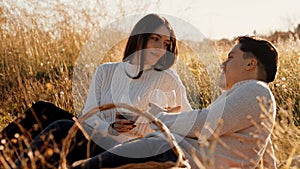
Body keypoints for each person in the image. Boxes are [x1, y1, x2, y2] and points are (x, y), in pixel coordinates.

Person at [12, 35, 278, 169]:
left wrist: (153, 118)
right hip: (158, 145)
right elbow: (265, 154)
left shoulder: (255, 90)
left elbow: (205, 124)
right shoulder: (249, 96)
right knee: (57, 124)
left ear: (250, 63)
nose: (223, 63)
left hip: (167, 152)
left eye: (230, 57)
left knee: (67, 136)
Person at [0, 13, 192, 165]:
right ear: (139, 38)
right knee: (43, 110)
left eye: (166, 44)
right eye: (155, 39)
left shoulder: (168, 79)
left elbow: (188, 123)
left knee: (62, 128)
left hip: (124, 151)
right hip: (99, 139)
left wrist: (153, 123)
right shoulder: (106, 71)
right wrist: (110, 128)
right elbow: (88, 115)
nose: (160, 48)